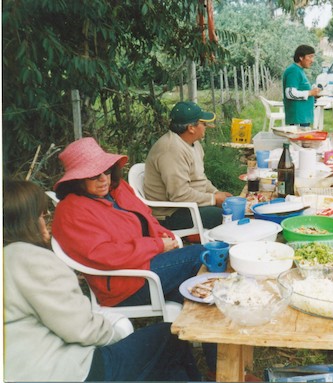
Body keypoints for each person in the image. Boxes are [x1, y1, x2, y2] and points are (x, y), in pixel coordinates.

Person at [3, 179, 201, 381]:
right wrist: (117, 332)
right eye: (42, 215)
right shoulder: (30, 259)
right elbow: (81, 329)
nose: (103, 178)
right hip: (68, 372)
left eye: (106, 172)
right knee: (169, 338)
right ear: (30, 221)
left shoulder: (11, 258)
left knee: (180, 295)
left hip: (27, 367)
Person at [52, 137, 204, 307]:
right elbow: (105, 254)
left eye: (107, 171)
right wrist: (158, 245)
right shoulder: (71, 211)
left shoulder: (116, 188)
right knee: (201, 254)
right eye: (94, 175)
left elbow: (145, 216)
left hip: (145, 263)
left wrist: (164, 236)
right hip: (124, 283)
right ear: (77, 179)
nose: (103, 179)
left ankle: (188, 323)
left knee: (194, 291)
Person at [144, 101, 233, 231]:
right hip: (170, 214)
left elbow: (200, 178)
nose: (207, 126)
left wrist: (216, 192)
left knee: (232, 208)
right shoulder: (171, 149)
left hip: (188, 205)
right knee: (228, 216)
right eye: (203, 123)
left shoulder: (193, 143)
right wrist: (214, 199)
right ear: (191, 128)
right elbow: (179, 195)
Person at [282, 45, 320, 128]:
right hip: (298, 118)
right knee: (298, 141)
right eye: (310, 57)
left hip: (303, 117)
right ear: (301, 57)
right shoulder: (293, 70)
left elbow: (301, 92)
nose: (312, 60)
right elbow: (290, 93)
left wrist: (314, 95)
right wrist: (310, 93)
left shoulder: (300, 70)